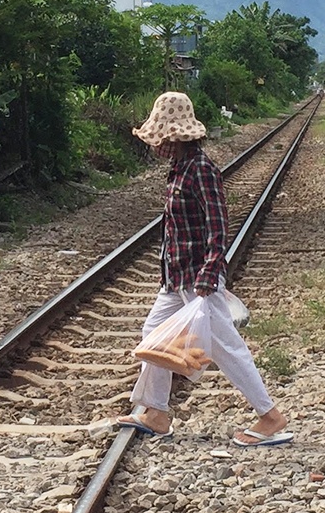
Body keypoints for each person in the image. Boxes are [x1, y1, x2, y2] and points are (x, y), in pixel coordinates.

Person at [115, 91, 293, 448]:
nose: (157, 143)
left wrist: (211, 272)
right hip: (177, 276)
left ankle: (270, 417)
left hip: (198, 277)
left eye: (161, 135)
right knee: (154, 334)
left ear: (174, 136)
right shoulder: (179, 169)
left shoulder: (201, 169)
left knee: (226, 347)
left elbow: (217, 225)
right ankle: (156, 412)